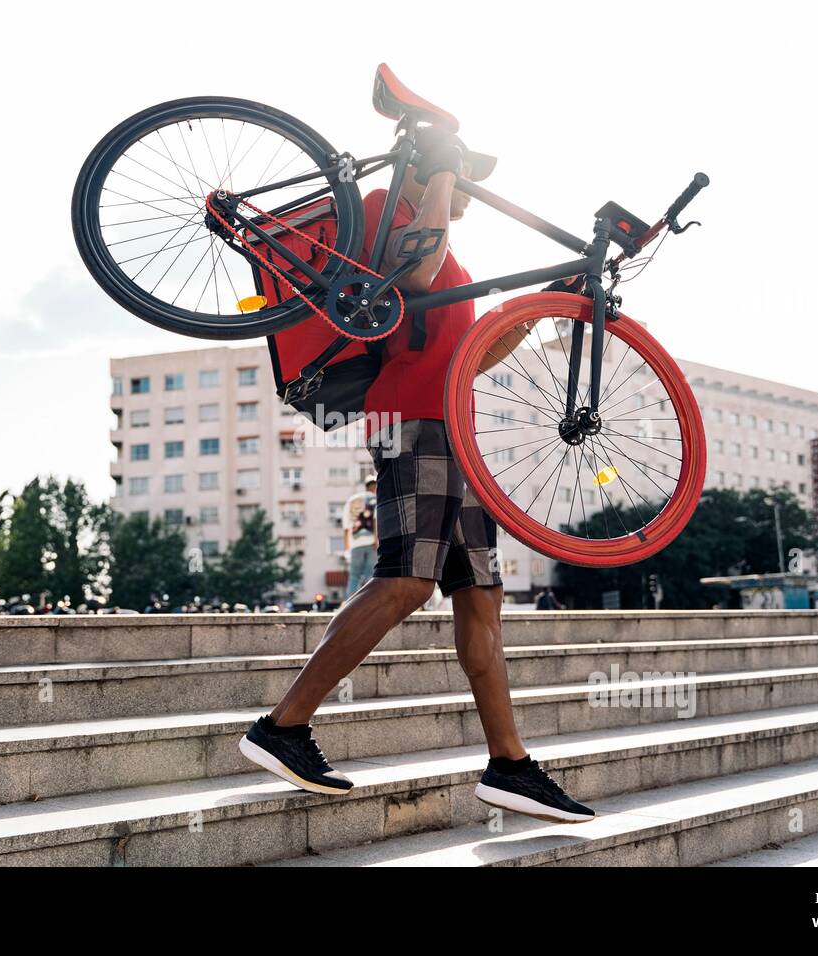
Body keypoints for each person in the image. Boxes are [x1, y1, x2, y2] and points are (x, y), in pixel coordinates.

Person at [239, 125, 594, 824]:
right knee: (406, 578)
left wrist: (548, 300)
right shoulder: (384, 212)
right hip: (410, 419)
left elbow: (469, 354)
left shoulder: (446, 247)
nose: (464, 192)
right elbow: (416, 276)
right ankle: (283, 726)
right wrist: (434, 174)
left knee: (481, 597)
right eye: (460, 177)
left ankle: (510, 765)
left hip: (452, 426)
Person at [342, 475, 378, 596]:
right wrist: (376, 541)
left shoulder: (352, 500)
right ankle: (370, 603)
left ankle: (349, 604)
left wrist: (347, 548)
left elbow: (346, 527)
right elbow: (376, 521)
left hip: (355, 544)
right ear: (376, 487)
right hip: (372, 543)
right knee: (370, 575)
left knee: (354, 576)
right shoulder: (376, 499)